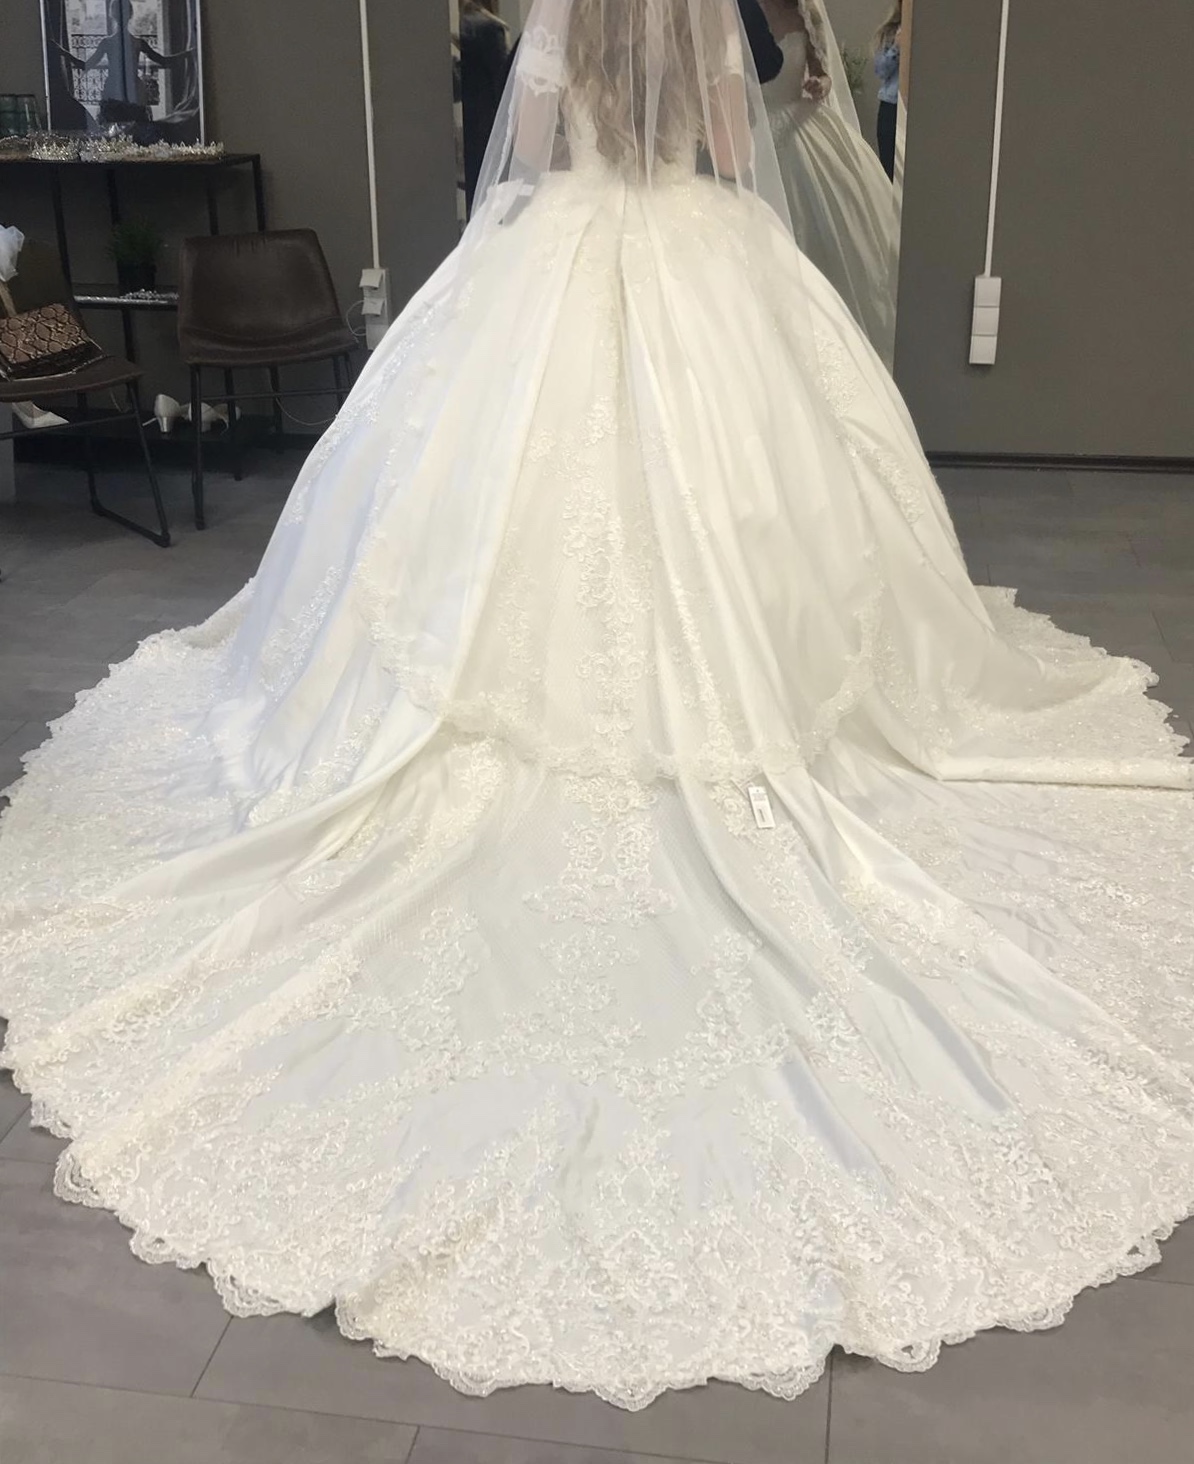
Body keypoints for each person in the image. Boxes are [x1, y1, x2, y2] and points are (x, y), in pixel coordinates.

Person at [3, 0, 1194, 1413]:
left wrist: (587, 163)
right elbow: (735, 143)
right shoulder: (706, 20)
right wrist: (687, 167)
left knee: (489, 504)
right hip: (703, 258)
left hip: (551, 261)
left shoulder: (565, 15)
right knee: (758, 505)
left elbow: (531, 140)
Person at [759, 0, 899, 364]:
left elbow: (823, 72)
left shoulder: (806, 14)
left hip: (802, 132)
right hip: (753, 136)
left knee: (829, 236)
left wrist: (820, 84)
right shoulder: (739, 12)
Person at [459, 0, 511, 216]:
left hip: (469, 117)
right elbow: (502, 79)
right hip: (488, 118)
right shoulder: (490, 28)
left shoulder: (464, 26)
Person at [874, 1, 901, 180]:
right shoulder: (891, 31)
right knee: (888, 170)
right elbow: (880, 71)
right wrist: (896, 47)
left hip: (919, 109)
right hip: (891, 105)